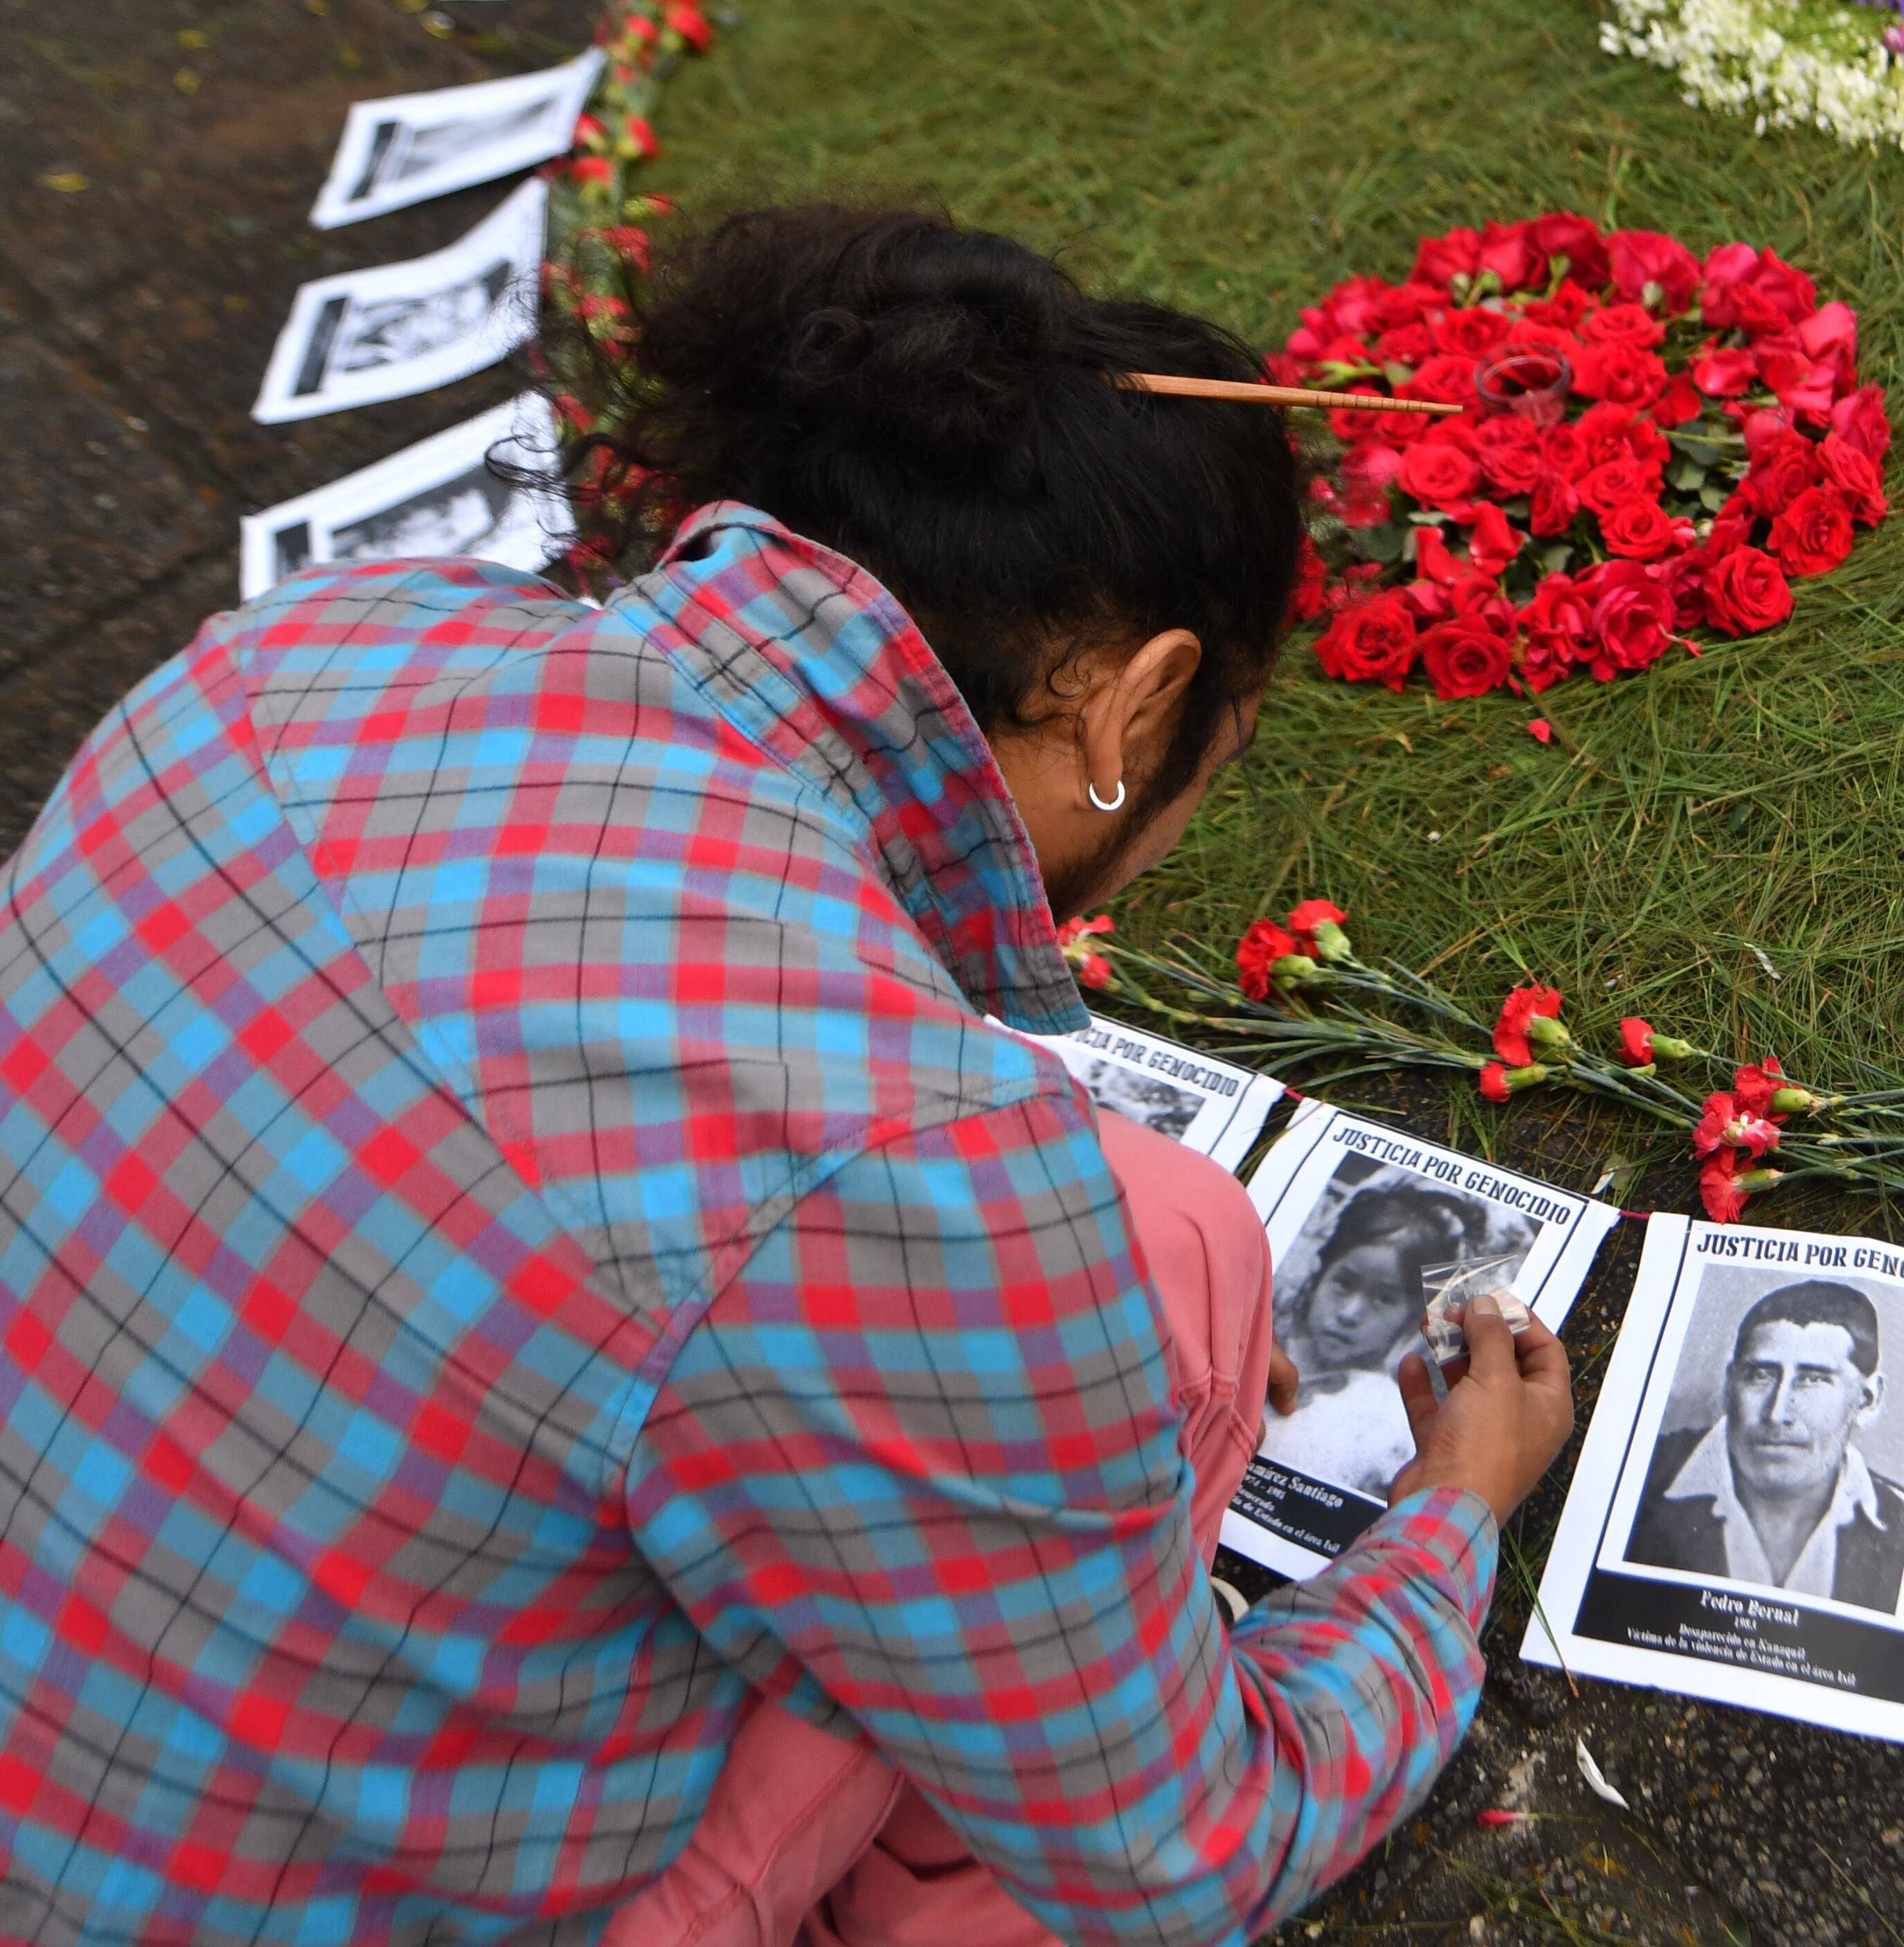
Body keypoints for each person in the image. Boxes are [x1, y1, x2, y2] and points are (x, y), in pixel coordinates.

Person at [0, 204, 1572, 1947]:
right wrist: (1448, 1519)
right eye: (1229, 744)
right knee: (1150, 1320)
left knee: (1176, 1234)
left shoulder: (319, 641)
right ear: (1137, 706)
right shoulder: (909, 1166)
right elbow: (1189, 1845)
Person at [1626, 1280, 1904, 1610]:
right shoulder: (1635, 1479)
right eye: (1760, 1376)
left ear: (1868, 1399)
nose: (1777, 1414)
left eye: (1813, 1379)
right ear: (1729, 1385)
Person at [1264, 1181, 1492, 1500]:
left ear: (1411, 1315)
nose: (1350, 1313)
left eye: (1385, 1299)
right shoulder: (1262, 1348)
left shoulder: (1384, 1417)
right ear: (1319, 1275)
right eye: (1344, 1283)